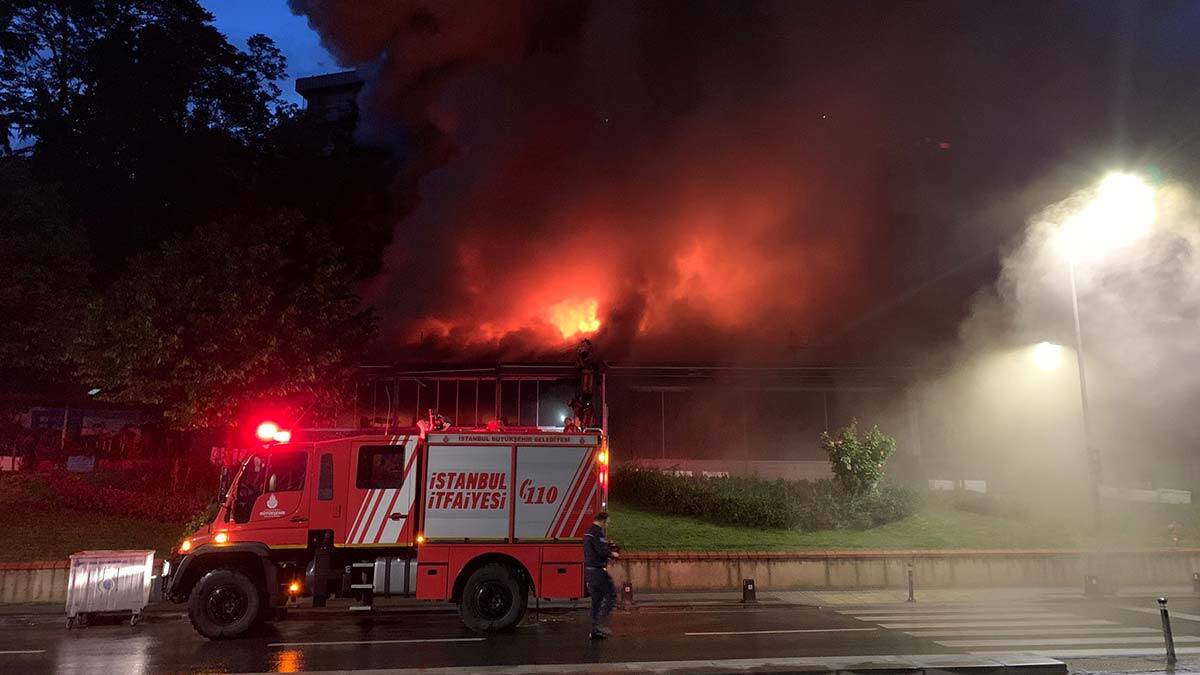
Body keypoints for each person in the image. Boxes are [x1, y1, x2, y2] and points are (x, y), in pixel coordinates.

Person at [583, 510, 618, 639]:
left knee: (596, 600)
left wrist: (607, 546)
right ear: (603, 520)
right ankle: (602, 622)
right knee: (611, 594)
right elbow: (600, 550)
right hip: (598, 571)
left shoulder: (588, 531)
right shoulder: (597, 532)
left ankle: (595, 629)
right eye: (606, 522)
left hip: (590, 571)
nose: (606, 525)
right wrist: (612, 554)